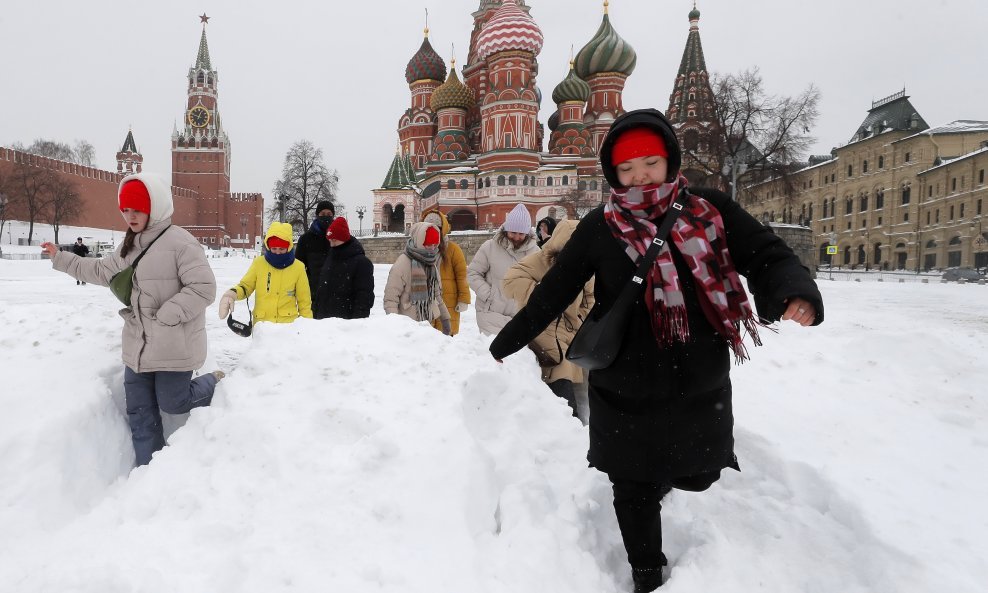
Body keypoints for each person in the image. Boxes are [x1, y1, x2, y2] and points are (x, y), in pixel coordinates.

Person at [488, 109, 823, 592]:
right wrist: (508, 340)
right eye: (627, 168)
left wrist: (795, 291)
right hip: (624, 379)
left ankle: (668, 480)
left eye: (649, 162)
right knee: (631, 484)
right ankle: (645, 570)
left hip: (697, 378)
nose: (640, 175)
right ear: (614, 174)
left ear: (668, 158)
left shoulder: (709, 210)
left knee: (698, 473)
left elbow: (766, 253)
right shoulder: (601, 226)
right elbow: (554, 290)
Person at [41, 173, 223, 467]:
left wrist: (168, 314)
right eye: (125, 210)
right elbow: (100, 271)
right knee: (139, 412)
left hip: (174, 346)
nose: (130, 216)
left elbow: (204, 288)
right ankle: (148, 469)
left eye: (137, 209)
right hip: (137, 346)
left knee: (173, 402)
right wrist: (61, 258)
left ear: (155, 207)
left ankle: (213, 382)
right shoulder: (129, 246)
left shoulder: (181, 243)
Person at [502, 220, 593, 417]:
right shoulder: (540, 260)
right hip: (543, 329)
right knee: (560, 378)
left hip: (574, 334)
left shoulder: (586, 265)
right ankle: (564, 423)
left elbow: (591, 298)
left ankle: (578, 423)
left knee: (584, 384)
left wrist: (580, 317)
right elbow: (511, 281)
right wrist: (543, 300)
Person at [218, 221, 312, 324]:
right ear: (268, 247)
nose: (277, 252)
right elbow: (245, 287)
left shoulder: (298, 267)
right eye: (274, 248)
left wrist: (306, 328)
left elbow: (304, 303)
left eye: (282, 249)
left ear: (288, 247)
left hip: (288, 328)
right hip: (262, 328)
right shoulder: (259, 263)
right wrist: (232, 294)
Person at [467, 203, 540, 335]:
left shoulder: (536, 253)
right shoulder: (489, 247)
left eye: (521, 234)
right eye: (513, 232)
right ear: (506, 229)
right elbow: (473, 273)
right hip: (490, 313)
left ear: (527, 233)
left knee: (517, 355)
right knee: (491, 352)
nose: (517, 237)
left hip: (520, 316)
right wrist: (489, 295)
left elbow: (542, 281)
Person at [383, 222, 451, 335]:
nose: (433, 249)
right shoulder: (402, 264)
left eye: (435, 245)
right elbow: (391, 300)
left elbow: (436, 295)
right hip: (407, 327)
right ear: (420, 242)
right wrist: (395, 327)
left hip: (428, 323)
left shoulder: (430, 263)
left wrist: (445, 319)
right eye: (429, 244)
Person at [313, 216, 374, 319]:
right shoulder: (330, 257)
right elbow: (321, 290)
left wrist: (356, 323)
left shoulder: (362, 263)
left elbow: (364, 297)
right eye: (330, 241)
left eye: (335, 241)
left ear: (344, 238)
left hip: (346, 324)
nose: (332, 245)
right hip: (323, 321)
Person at [421, 210, 470, 335]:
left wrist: (464, 299)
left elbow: (462, 276)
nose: (433, 231)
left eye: (437, 228)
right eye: (428, 227)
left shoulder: (453, 249)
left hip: (448, 301)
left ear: (443, 229)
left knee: (446, 339)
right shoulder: (419, 249)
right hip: (425, 301)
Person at [295, 200, 335, 291]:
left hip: (336, 292)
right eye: (323, 213)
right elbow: (298, 267)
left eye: (329, 214)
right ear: (317, 215)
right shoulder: (305, 239)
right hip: (312, 292)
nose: (326, 216)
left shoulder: (339, 238)